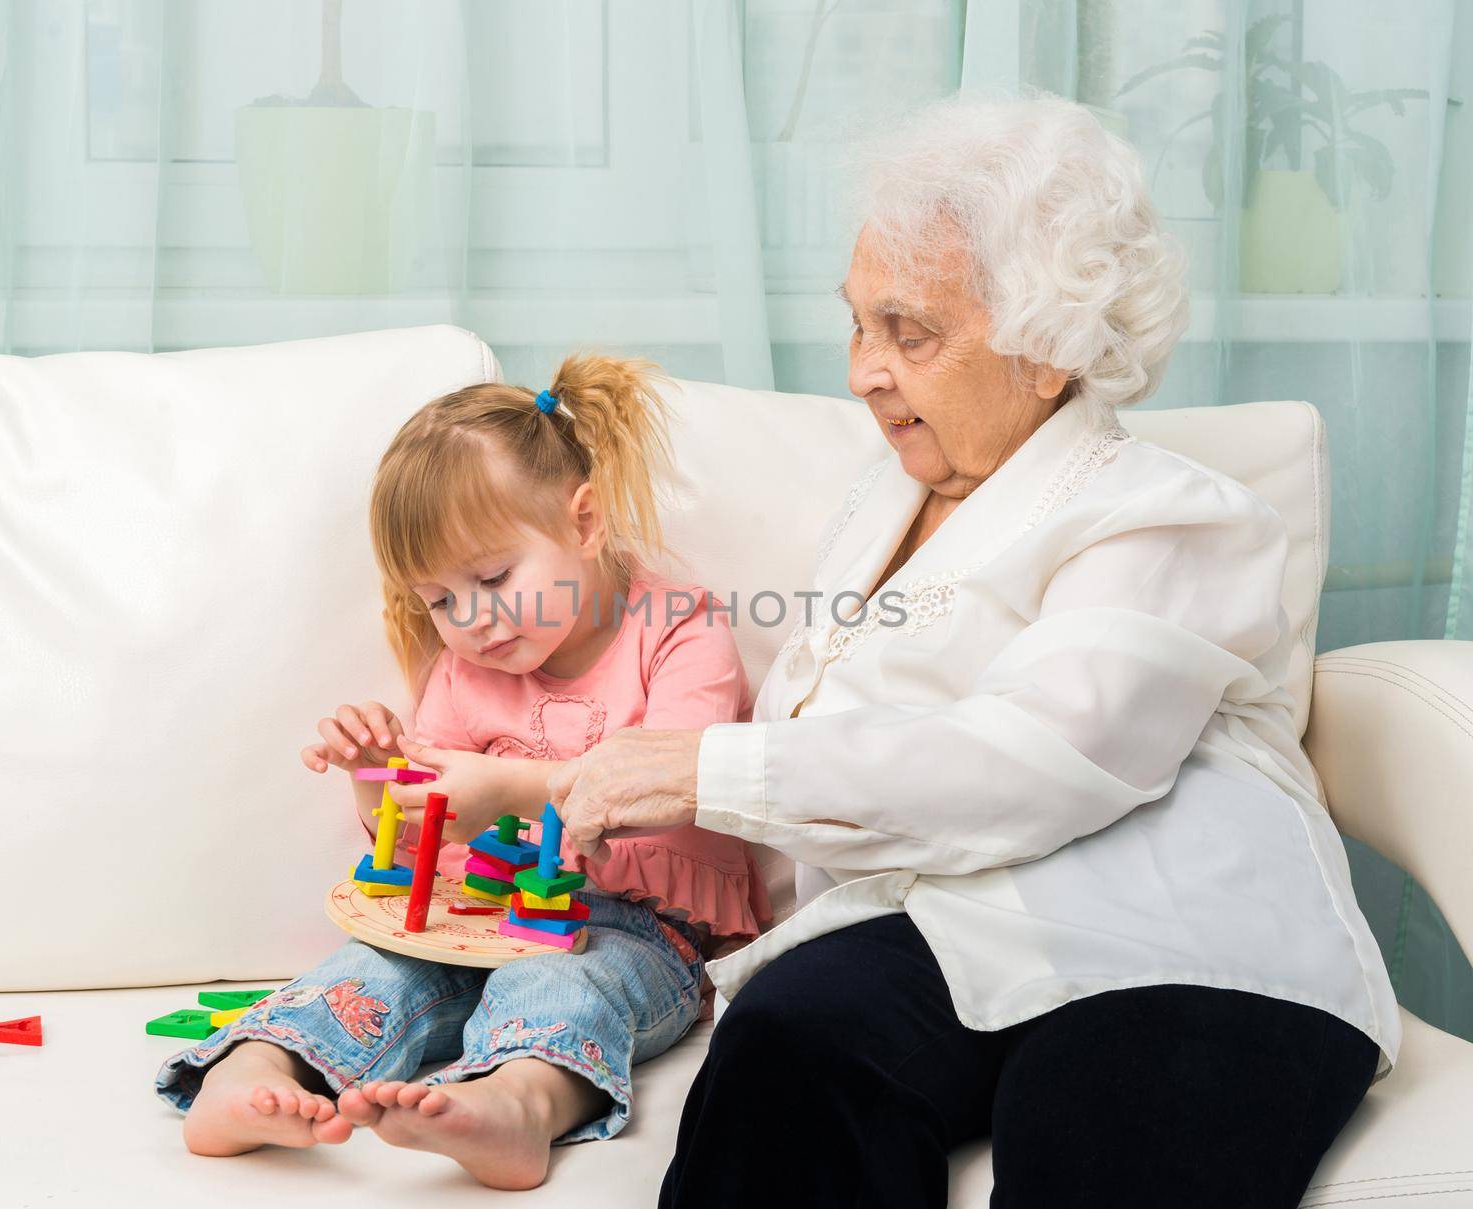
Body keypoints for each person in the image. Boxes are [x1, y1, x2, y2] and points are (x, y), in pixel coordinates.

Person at [547, 94, 1402, 1208]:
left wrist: (704, 768)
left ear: (1049, 352)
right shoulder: (879, 501)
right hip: (936, 923)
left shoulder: (1172, 516)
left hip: (1175, 940)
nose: (863, 370)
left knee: (1107, 1144)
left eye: (910, 332)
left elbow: (1041, 756)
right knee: (785, 1052)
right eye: (858, 323)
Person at [154, 353, 771, 1191]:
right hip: (471, 914)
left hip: (634, 925)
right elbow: (414, 846)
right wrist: (378, 777)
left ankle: (513, 1103)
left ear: (583, 523)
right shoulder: (465, 671)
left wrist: (509, 789)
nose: (471, 621)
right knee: (374, 967)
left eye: (490, 578)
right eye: (439, 600)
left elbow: (675, 781)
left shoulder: (675, 630)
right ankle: (254, 1070)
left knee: (563, 981)